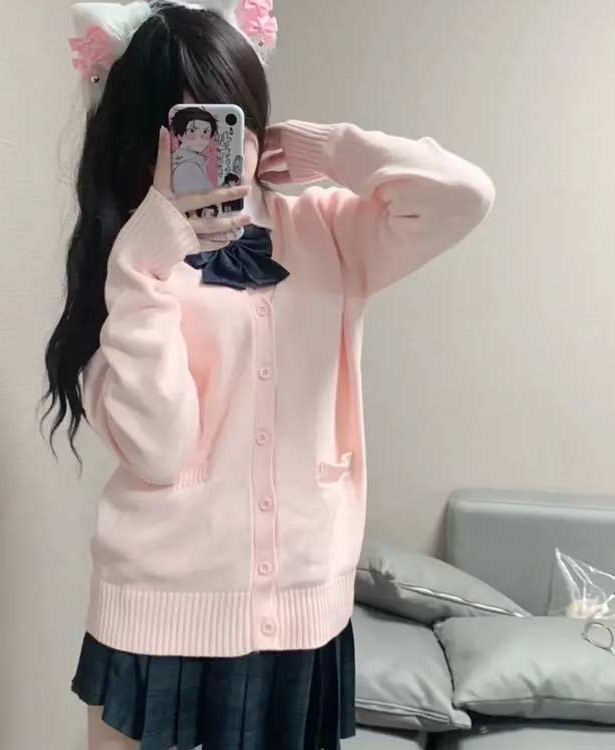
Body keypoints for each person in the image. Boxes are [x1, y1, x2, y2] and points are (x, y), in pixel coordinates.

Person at [42, 2, 495, 750]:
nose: (212, 145)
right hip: (155, 619)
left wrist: (328, 151)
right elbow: (159, 450)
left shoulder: (327, 230)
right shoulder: (125, 264)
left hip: (303, 613)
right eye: (184, 126)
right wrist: (146, 261)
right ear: (143, 136)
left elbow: (462, 195)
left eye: (228, 119)